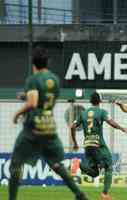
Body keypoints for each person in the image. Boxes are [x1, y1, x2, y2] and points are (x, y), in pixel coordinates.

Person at [10, 46, 88, 200]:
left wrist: (17, 114)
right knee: (56, 164)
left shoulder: (32, 79)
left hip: (33, 128)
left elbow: (33, 103)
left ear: (33, 64)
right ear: (47, 63)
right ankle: (79, 194)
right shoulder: (55, 79)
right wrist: (25, 96)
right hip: (49, 127)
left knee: (16, 164)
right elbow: (43, 99)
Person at [71, 92, 127, 200]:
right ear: (100, 101)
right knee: (109, 167)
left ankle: (81, 165)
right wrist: (122, 128)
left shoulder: (83, 113)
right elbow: (111, 122)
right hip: (98, 144)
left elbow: (72, 126)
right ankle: (105, 194)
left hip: (87, 145)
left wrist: (75, 143)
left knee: (95, 173)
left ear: (90, 101)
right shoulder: (101, 112)